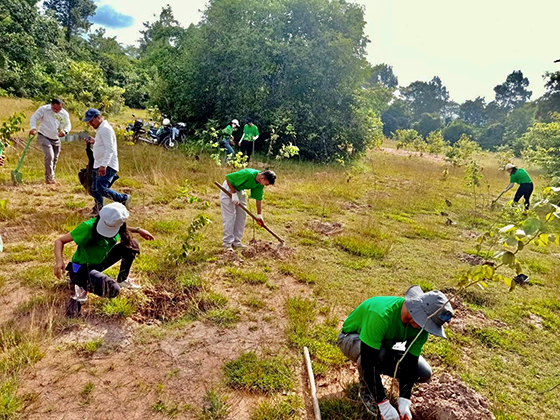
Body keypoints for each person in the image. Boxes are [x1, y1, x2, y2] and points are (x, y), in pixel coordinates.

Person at [337, 286, 454, 419]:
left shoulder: (421, 328)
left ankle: (374, 382)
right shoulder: (381, 314)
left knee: (423, 372)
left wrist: (404, 399)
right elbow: (368, 362)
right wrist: (383, 404)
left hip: (381, 345)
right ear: (416, 310)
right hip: (350, 338)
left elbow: (411, 361)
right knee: (375, 357)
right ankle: (367, 391)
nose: (424, 328)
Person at [54, 202, 154, 317]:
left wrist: (138, 230)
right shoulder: (88, 227)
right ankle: (80, 287)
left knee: (131, 246)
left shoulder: (118, 225)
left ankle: (122, 280)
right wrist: (59, 261)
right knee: (113, 290)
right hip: (80, 269)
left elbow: (121, 227)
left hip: (99, 263)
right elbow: (59, 241)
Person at [83, 108, 131, 215]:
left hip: (106, 165)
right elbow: (104, 145)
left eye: (91, 121)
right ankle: (98, 209)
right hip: (99, 163)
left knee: (100, 188)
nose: (90, 123)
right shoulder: (101, 129)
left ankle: (123, 198)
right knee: (95, 189)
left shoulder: (105, 129)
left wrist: (104, 165)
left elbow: (110, 149)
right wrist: (94, 142)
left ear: (98, 117)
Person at [220, 168, 276, 251]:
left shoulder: (260, 183)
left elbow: (258, 198)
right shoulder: (248, 174)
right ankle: (227, 243)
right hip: (229, 187)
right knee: (230, 216)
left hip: (239, 190)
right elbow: (228, 178)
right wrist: (233, 193)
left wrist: (259, 215)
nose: (266, 186)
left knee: (242, 215)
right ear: (262, 178)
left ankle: (236, 242)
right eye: (266, 184)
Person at [29, 98, 71, 184]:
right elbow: (34, 118)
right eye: (55, 108)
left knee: (55, 158)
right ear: (51, 105)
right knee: (49, 156)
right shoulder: (43, 109)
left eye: (59, 109)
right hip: (44, 136)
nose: (57, 110)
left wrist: (65, 131)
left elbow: (68, 124)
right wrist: (33, 128)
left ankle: (51, 176)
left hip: (56, 138)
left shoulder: (64, 114)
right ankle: (49, 178)